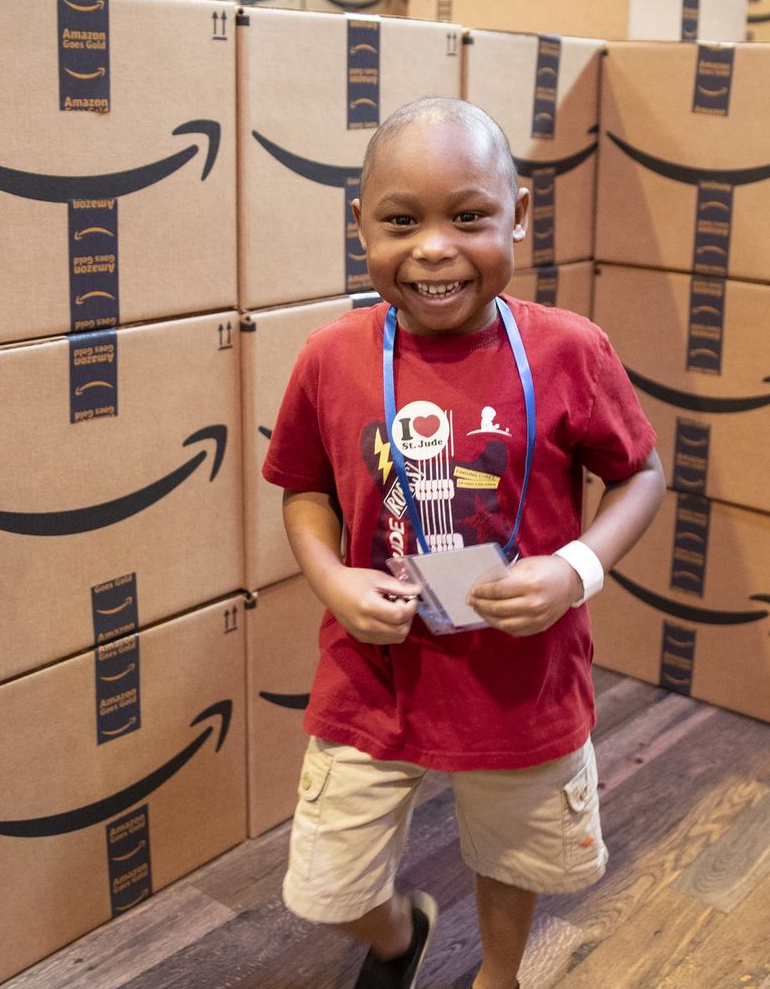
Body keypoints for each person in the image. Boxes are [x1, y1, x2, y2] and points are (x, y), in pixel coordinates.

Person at [261, 97, 665, 989]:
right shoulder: (331, 358)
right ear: (358, 223)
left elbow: (641, 472)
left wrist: (574, 570)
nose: (434, 248)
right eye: (401, 221)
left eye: (470, 216)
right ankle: (398, 934)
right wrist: (331, 581)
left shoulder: (570, 350)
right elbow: (304, 488)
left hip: (523, 683)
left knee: (517, 858)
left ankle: (500, 975)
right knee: (325, 889)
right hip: (373, 680)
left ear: (519, 215)